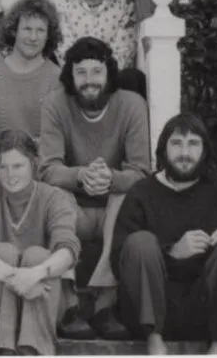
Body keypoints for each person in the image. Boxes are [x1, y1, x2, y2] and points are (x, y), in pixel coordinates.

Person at [111, 113, 217, 355]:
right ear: (163, 149)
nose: (184, 153)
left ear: (204, 150)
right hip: (151, 313)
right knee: (140, 242)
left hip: (206, 312)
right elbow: (119, 259)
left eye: (193, 144)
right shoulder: (142, 193)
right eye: (176, 143)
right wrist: (172, 253)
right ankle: (155, 346)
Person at [38, 37, 151, 337]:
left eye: (96, 72)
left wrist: (111, 178)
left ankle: (105, 303)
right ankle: (70, 304)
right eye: (81, 73)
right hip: (75, 208)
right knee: (55, 196)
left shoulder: (131, 104)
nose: (89, 81)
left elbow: (141, 170)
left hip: (115, 210)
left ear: (109, 73)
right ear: (70, 77)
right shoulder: (56, 103)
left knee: (127, 193)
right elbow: (48, 168)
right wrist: (81, 175)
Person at [0, 130, 81, 356]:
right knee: (2, 251)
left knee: (37, 255)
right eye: (2, 167)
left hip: (46, 295)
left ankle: (34, 349)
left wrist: (34, 274)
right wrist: (17, 278)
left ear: (33, 164)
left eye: (18, 166)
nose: (9, 175)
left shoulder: (54, 197)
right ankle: (4, 348)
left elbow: (68, 249)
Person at [0, 0, 62, 138]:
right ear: (14, 31)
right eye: (27, 29)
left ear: (48, 36)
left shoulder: (59, 80)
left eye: (40, 30)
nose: (33, 37)